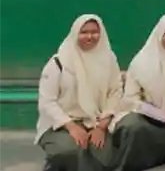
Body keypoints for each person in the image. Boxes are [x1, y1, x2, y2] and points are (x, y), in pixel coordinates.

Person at [37, 14, 122, 171]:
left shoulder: (108, 59)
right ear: (75, 33)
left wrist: (101, 126)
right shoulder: (59, 62)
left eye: (94, 32)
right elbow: (47, 102)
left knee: (105, 158)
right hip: (61, 125)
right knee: (70, 151)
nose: (90, 36)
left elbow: (115, 91)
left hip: (95, 122)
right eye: (84, 32)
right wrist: (71, 127)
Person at [111, 13, 165, 171]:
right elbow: (129, 99)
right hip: (150, 118)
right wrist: (150, 109)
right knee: (133, 127)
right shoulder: (141, 62)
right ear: (159, 33)